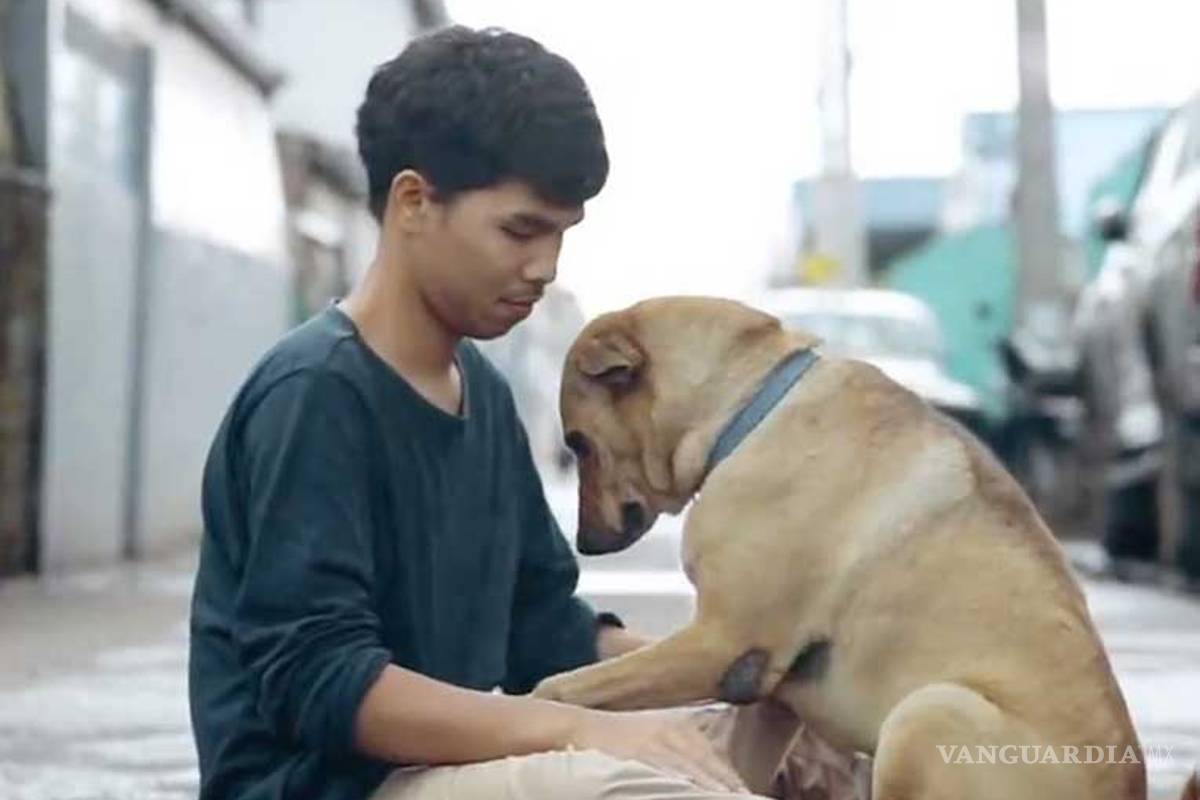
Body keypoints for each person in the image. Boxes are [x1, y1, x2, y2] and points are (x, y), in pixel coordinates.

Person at [188, 25, 856, 800]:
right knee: (650, 790)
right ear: (413, 202)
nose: (545, 267)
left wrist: (742, 677)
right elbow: (323, 680)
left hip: (460, 773)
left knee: (810, 741)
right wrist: (591, 732)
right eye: (520, 230)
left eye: (561, 235)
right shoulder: (315, 394)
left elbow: (545, 634)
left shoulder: (482, 391)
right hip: (330, 787)